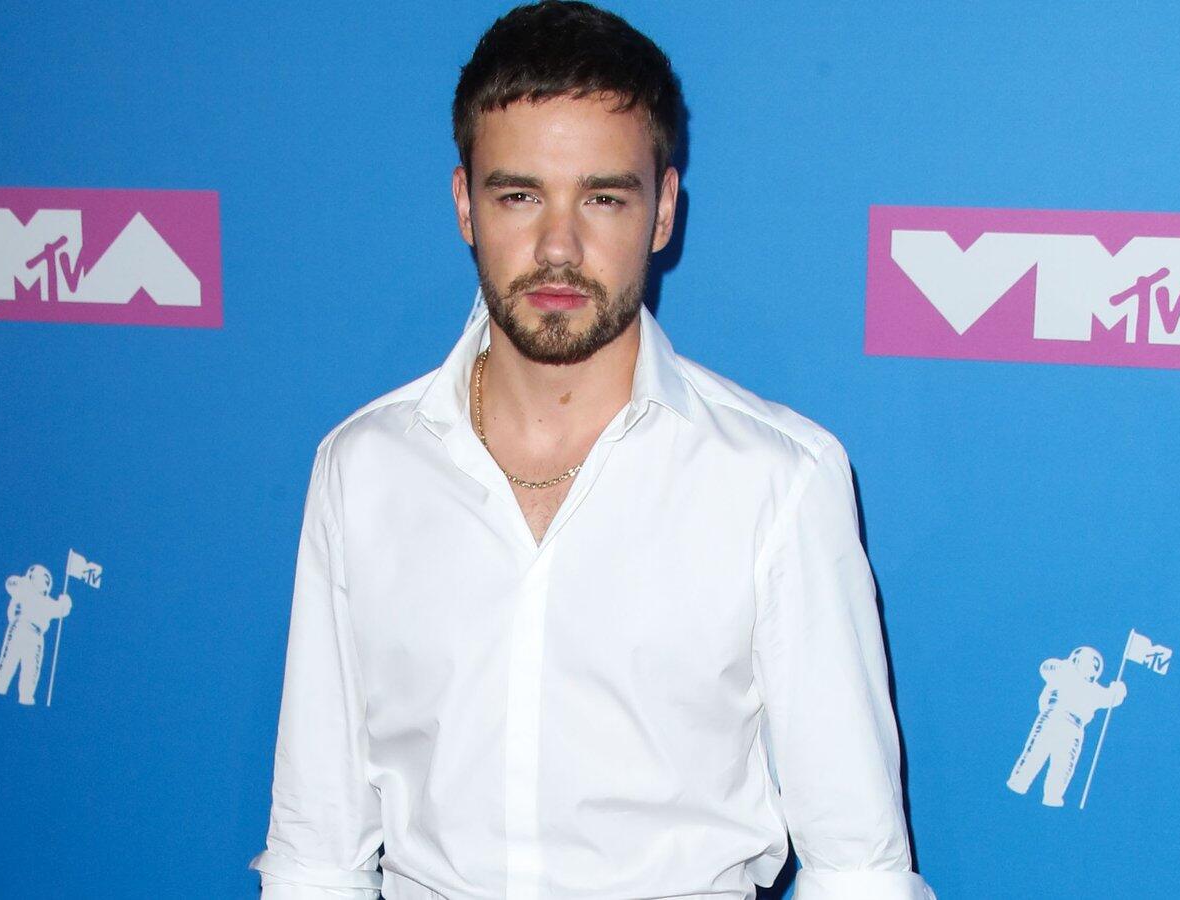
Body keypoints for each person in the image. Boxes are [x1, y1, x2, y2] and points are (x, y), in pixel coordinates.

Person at [250, 2, 934, 897]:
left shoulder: (777, 480)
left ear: (664, 210)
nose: (558, 247)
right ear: (464, 204)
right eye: (520, 195)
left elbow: (858, 869)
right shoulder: (365, 469)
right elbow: (316, 854)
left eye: (603, 197)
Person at [1006, 646, 1127, 808]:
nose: (1090, 666)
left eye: (1094, 665)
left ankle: (1053, 796)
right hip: (1053, 715)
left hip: (1075, 727)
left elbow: (1110, 698)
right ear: (1077, 660)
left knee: (1063, 764)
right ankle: (1019, 782)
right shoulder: (1064, 672)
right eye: (1087, 661)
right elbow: (1046, 668)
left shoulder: (1094, 690)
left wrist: (1118, 691)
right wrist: (1062, 666)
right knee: (1036, 751)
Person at [0, 563, 72, 706]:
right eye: (43, 578)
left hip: (36, 635)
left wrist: (65, 602)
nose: (45, 582)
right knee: (10, 658)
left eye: (47, 580)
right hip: (20, 626)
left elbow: (60, 610)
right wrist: (22, 582)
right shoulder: (24, 589)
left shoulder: (47, 602)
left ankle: (26, 696)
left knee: (32, 667)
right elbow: (10, 583)